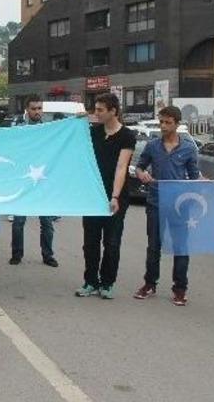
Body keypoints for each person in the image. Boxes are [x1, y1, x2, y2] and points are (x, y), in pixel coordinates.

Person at [134, 105, 200, 306]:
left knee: (180, 248)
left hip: (180, 206)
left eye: (167, 122)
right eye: (161, 122)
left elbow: (195, 177)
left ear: (177, 124)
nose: (163, 126)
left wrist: (213, 184)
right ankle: (149, 284)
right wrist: (141, 173)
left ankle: (180, 289)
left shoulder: (188, 148)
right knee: (154, 247)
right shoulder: (152, 146)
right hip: (155, 203)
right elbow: (139, 166)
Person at [77, 93, 136, 300]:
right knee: (90, 241)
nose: (96, 113)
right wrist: (76, 121)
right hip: (92, 195)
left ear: (113, 111)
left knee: (111, 242)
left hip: (115, 197)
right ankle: (90, 281)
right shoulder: (93, 132)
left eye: (101, 110)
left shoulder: (127, 136)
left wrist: (115, 197)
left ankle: (107, 282)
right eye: (95, 109)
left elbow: (121, 167)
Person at [9, 95, 58, 269]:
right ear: (27, 110)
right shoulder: (20, 130)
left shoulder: (49, 129)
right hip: (24, 181)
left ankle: (48, 255)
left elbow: (66, 134)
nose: (37, 112)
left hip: (43, 182)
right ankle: (16, 254)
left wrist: (79, 120)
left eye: (39, 108)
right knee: (18, 222)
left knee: (47, 222)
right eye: (34, 108)